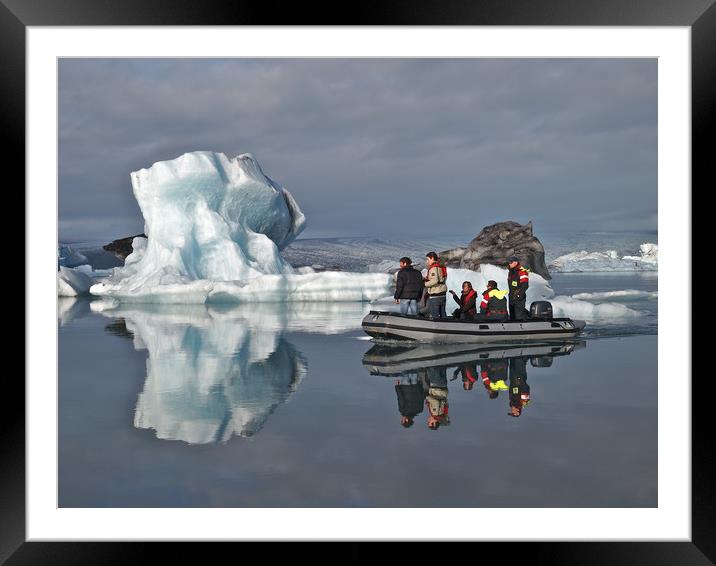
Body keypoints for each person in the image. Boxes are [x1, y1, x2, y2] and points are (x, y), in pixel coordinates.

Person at [423, 252, 448, 319]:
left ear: (432, 258)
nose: (427, 261)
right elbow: (441, 279)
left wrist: (424, 284)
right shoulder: (441, 266)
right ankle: (445, 327)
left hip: (435, 294)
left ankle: (436, 328)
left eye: (428, 259)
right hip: (443, 294)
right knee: (443, 314)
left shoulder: (433, 268)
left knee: (434, 314)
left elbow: (435, 281)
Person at [507, 256, 530, 321]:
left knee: (519, 314)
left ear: (516, 262)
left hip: (519, 296)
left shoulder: (522, 271)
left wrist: (519, 295)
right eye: (509, 262)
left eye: (511, 262)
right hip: (511, 296)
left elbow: (525, 285)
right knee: (512, 314)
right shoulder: (511, 271)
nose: (509, 263)